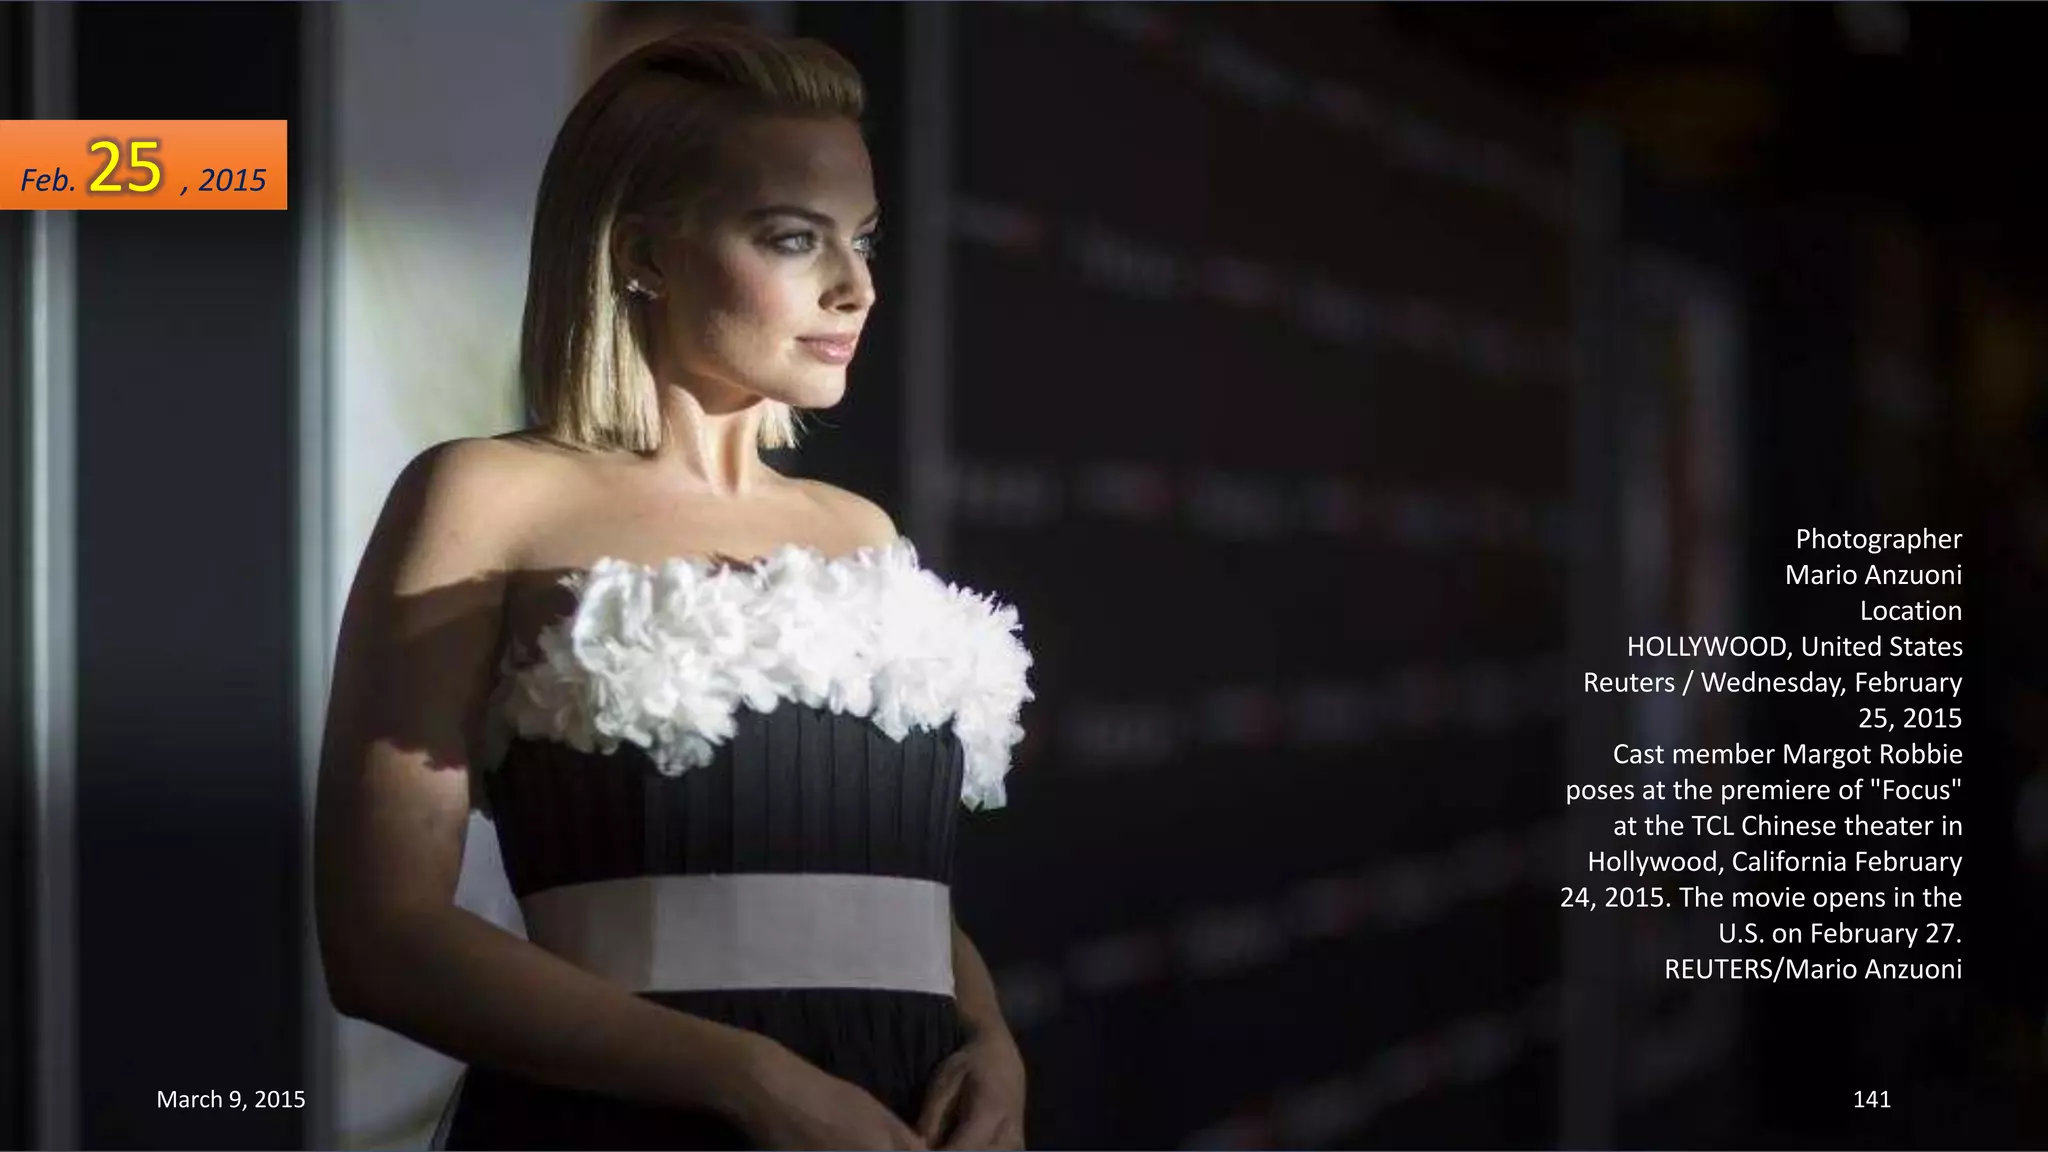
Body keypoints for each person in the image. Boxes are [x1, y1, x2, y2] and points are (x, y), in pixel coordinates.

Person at [313, 24, 1033, 1151]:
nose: (853, 287)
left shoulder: (862, 531)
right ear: (642, 251)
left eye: (862, 239)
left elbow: (871, 894)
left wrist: (988, 1038)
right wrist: (751, 1081)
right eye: (794, 238)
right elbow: (380, 936)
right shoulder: (485, 497)